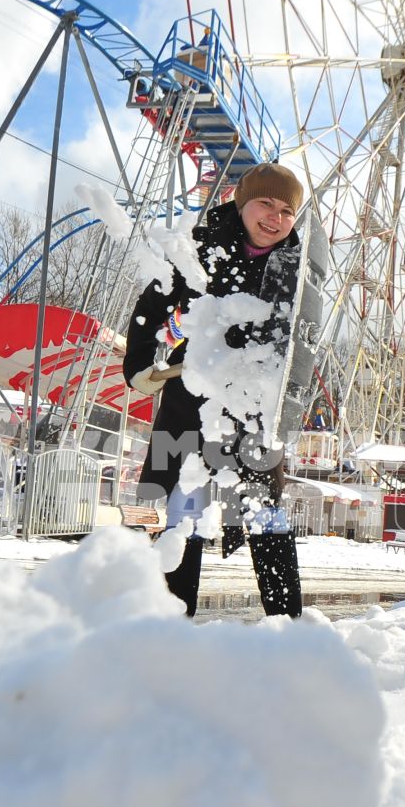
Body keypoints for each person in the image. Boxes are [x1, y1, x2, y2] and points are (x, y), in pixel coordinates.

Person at [123, 163, 306, 618]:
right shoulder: (201, 250)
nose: (275, 217)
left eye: (286, 210)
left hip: (252, 408)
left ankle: (288, 625)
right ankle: (154, 615)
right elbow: (150, 307)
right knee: (162, 502)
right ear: (242, 204)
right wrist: (139, 365)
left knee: (266, 512)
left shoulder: (298, 270)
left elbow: (305, 341)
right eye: (265, 203)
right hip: (189, 395)